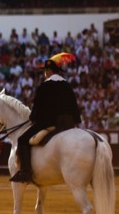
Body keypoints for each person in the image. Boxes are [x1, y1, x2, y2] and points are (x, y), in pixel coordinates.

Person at [9, 52, 82, 184]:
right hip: (69, 123)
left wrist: (33, 118)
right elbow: (74, 106)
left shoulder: (44, 86)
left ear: (49, 71)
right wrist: (76, 122)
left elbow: (39, 109)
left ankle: (25, 172)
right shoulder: (67, 85)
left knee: (22, 139)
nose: (44, 73)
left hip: (49, 123)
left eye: (45, 71)